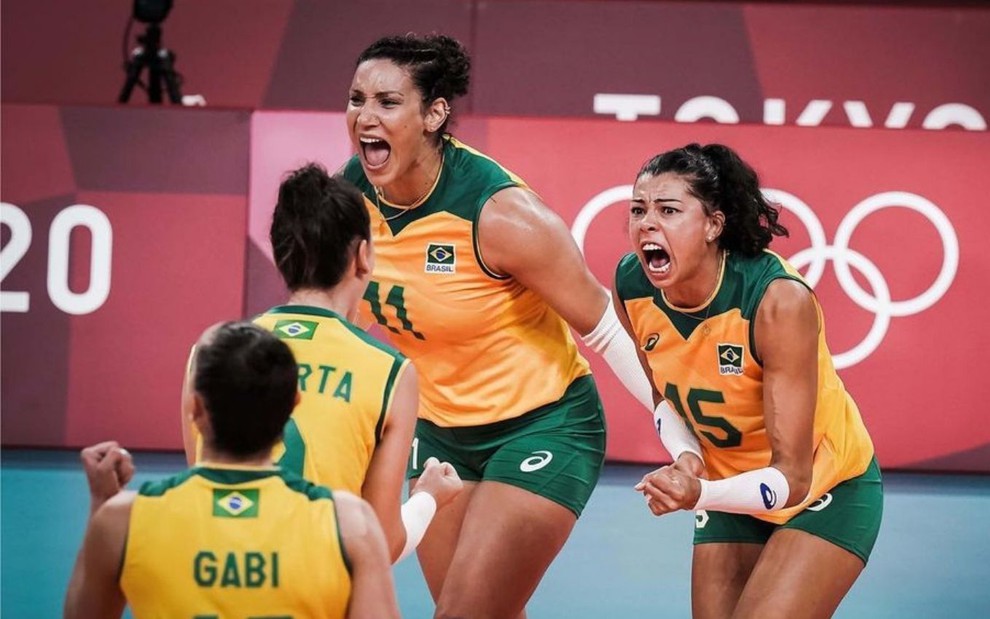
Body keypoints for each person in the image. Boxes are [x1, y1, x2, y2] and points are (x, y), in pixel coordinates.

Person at [340, 33, 701, 618]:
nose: (365, 117)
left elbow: (607, 329)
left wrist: (680, 436)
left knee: (464, 613)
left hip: (542, 428)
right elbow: (334, 321)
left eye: (387, 102)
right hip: (437, 434)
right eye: (357, 99)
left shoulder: (501, 214)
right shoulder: (346, 202)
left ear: (434, 114)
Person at [615, 143, 883, 618]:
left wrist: (701, 494)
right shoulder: (633, 284)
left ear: (714, 225)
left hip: (824, 487)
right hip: (729, 485)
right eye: (638, 209)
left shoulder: (776, 300)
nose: (646, 224)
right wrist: (688, 458)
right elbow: (664, 398)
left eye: (669, 210)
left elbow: (792, 479)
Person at [182, 164, 463, 564]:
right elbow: (377, 547)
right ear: (363, 257)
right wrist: (427, 499)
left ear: (280, 252)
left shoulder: (208, 353)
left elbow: (207, 495)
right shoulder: (390, 372)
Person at [65, 321, 400, 619]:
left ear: (194, 407)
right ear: (292, 406)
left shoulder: (122, 521)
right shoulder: (350, 524)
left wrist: (101, 504)